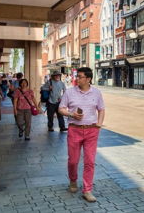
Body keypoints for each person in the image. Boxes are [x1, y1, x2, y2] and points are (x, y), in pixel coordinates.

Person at [58, 67, 105, 203]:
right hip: (74, 129)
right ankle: (73, 180)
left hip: (91, 130)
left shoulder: (96, 92)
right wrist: (72, 114)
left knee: (90, 161)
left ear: (88, 79)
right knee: (73, 160)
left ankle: (87, 190)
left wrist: (99, 125)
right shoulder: (70, 92)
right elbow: (61, 109)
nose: (77, 79)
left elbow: (101, 109)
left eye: (80, 76)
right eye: (77, 76)